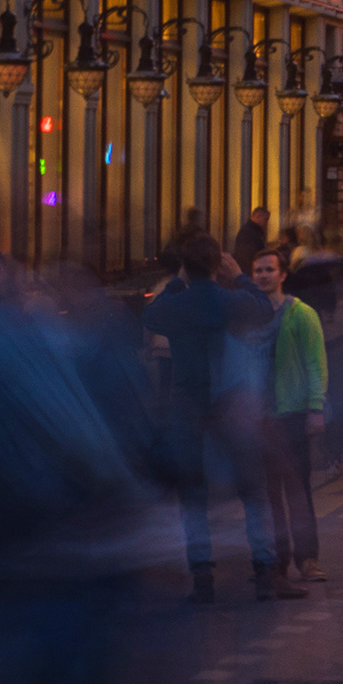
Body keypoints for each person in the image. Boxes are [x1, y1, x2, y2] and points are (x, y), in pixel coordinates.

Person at [140, 235, 284, 603]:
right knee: (251, 487)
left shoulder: (177, 304)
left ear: (186, 266)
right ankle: (263, 567)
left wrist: (179, 282)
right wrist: (240, 277)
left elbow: (151, 314)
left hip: (189, 403)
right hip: (230, 400)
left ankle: (202, 574)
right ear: (218, 264)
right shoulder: (231, 300)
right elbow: (264, 309)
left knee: (193, 492)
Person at [249, 248, 325, 587]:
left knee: (298, 491)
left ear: (282, 275)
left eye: (269, 270)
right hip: (260, 418)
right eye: (258, 270)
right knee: (270, 495)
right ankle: (277, 561)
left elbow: (315, 363)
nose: (263, 275)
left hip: (292, 414)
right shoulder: (250, 316)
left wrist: (316, 408)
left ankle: (307, 558)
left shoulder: (301, 314)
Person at [233, 206, 271, 273]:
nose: (266, 223)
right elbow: (248, 254)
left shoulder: (251, 231)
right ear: (258, 216)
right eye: (265, 219)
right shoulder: (249, 232)